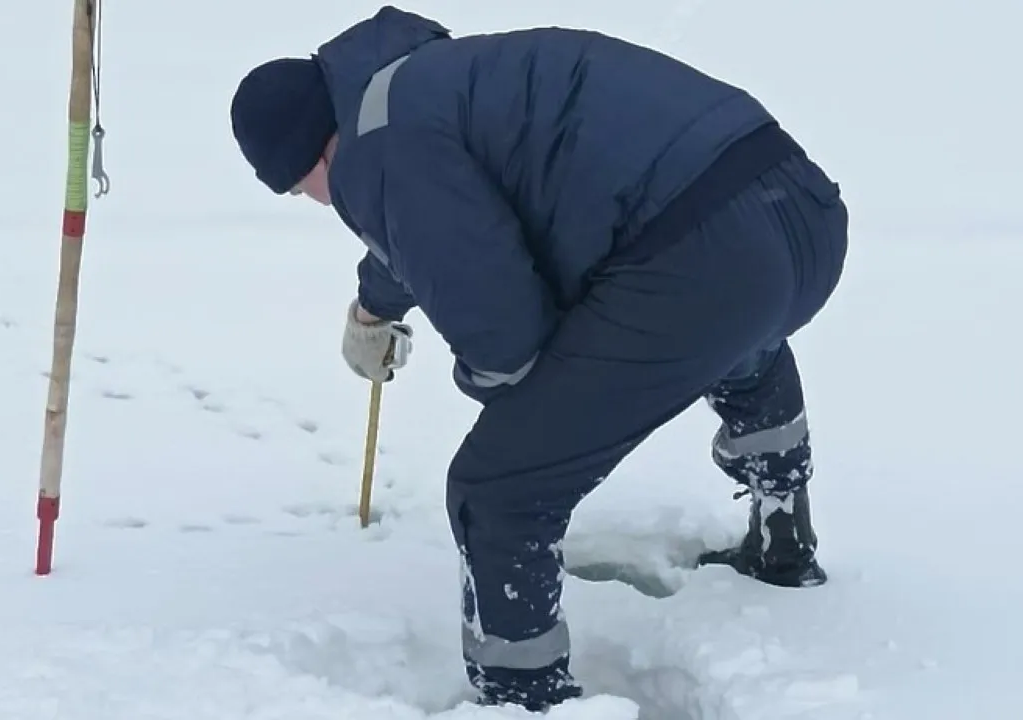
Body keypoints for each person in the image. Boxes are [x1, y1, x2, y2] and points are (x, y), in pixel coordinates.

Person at [229, 5, 847, 713]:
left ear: (309, 157)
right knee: (738, 340)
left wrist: (515, 410)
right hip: (798, 215)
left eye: (298, 190)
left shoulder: (375, 149)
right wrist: (375, 307)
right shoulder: (411, 86)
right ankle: (782, 538)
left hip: (701, 261)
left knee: (496, 488)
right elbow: (432, 214)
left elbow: (504, 334)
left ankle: (525, 697)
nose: (313, 201)